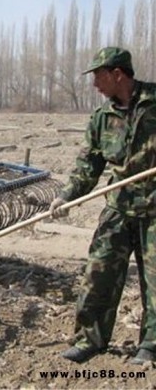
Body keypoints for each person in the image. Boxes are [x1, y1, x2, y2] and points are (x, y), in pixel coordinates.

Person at [50, 46, 156, 365]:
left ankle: (151, 346)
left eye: (98, 75)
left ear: (117, 74)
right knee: (99, 271)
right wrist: (67, 194)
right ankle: (89, 339)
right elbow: (89, 164)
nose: (95, 83)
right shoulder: (101, 118)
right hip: (119, 206)